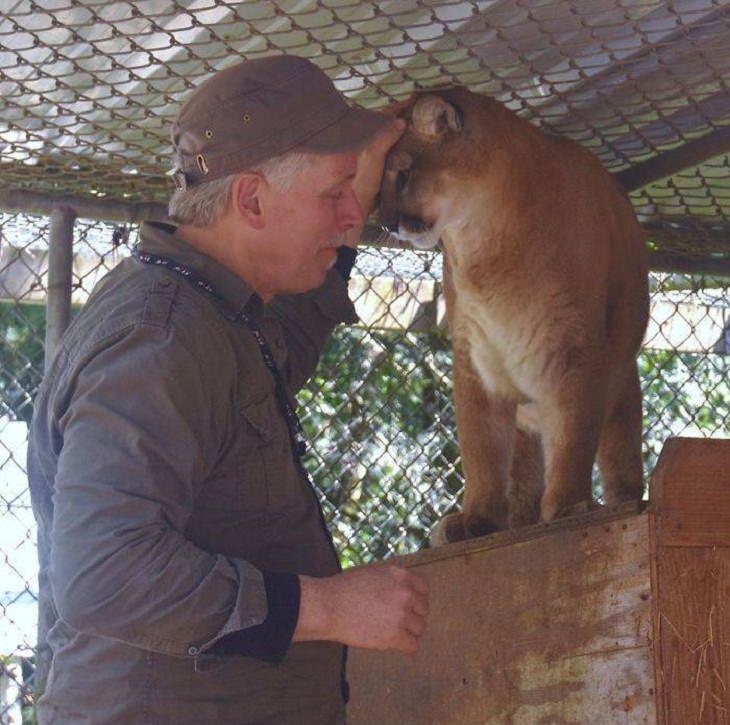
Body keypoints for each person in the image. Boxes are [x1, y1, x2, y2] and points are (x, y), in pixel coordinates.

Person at [27, 55, 429, 725]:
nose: (353, 212)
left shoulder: (219, 311)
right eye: (336, 193)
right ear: (251, 200)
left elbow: (292, 333)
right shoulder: (161, 339)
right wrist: (328, 606)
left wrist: (351, 168)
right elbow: (104, 572)